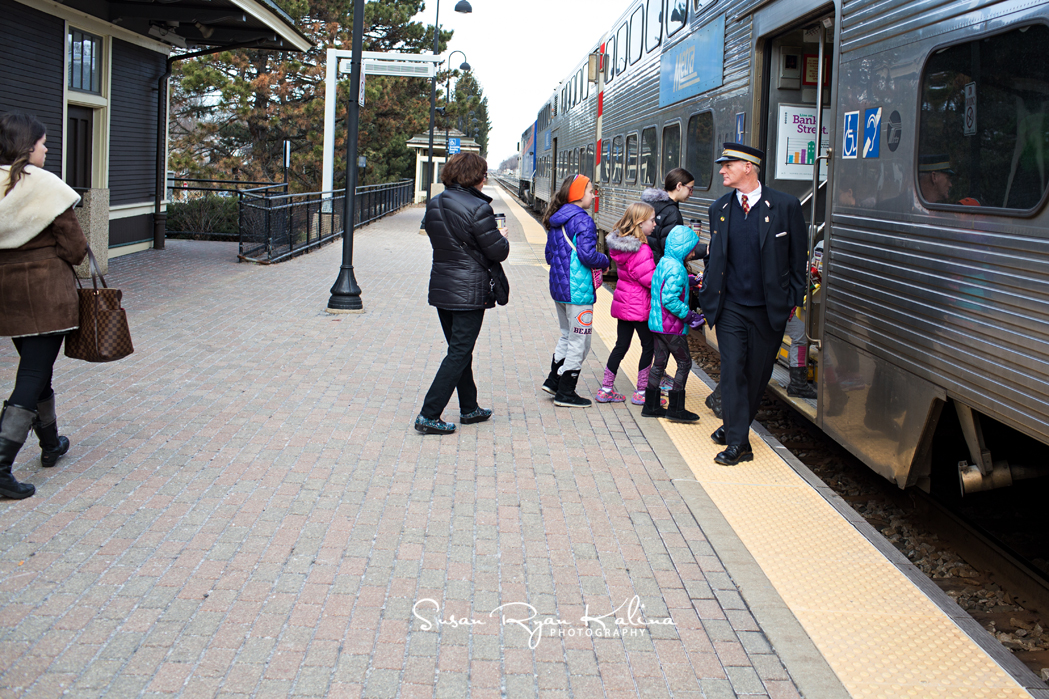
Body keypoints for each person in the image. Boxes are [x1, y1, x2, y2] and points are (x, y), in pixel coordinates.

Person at [700, 143, 807, 465]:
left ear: (748, 167)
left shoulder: (785, 206)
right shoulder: (719, 208)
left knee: (757, 376)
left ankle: (735, 426)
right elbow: (716, 258)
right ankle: (738, 444)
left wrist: (792, 301)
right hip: (730, 306)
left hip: (767, 310)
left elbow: (797, 257)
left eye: (727, 165)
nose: (722, 171)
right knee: (733, 371)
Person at [0, 113, 88, 498]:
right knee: (33, 375)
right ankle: (1, 466)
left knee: (38, 370)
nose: (47, 149)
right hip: (47, 296)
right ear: (27, 146)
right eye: (43, 143)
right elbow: (75, 248)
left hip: (8, 296)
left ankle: (51, 444)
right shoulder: (47, 187)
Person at [415, 153, 509, 435]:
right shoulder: (479, 208)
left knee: (459, 350)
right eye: (484, 175)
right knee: (458, 353)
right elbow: (498, 252)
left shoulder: (435, 204)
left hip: (442, 287)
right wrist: (502, 236)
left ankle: (470, 407)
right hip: (469, 291)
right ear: (477, 177)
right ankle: (429, 414)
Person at [540, 174, 609, 407]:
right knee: (581, 341)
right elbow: (588, 255)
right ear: (579, 194)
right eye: (590, 191)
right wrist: (605, 260)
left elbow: (549, 256)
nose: (593, 195)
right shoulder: (583, 221)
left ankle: (553, 381)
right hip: (578, 291)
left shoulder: (556, 219)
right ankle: (566, 392)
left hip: (559, 289)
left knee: (567, 335)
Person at [641, 224, 705, 423]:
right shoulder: (677, 268)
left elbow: (664, 286)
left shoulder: (665, 262)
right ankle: (676, 408)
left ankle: (650, 405)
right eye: (691, 249)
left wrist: (691, 281)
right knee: (685, 362)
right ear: (684, 248)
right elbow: (670, 299)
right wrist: (690, 316)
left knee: (659, 363)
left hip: (658, 324)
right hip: (672, 328)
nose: (693, 253)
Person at [600, 202, 658, 405]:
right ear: (641, 223)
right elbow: (649, 280)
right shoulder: (641, 250)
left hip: (623, 303)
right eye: (652, 220)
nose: (655, 224)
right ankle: (642, 392)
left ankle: (606, 388)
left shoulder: (621, 248)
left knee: (621, 345)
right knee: (648, 345)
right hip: (639, 306)